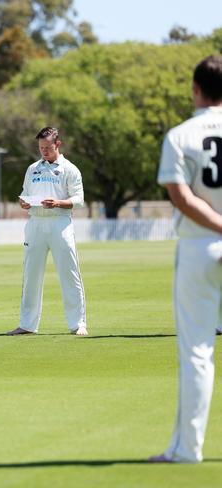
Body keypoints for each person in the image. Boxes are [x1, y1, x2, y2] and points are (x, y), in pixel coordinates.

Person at [150, 54, 222, 464]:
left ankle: (188, 449)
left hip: (199, 246)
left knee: (197, 350)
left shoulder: (180, 135)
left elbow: (180, 195)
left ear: (195, 89)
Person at [6, 127, 88, 337]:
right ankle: (27, 324)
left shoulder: (70, 169)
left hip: (60, 223)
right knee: (31, 275)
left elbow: (79, 199)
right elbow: (25, 193)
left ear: (58, 144)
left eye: (48, 148)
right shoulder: (33, 168)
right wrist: (24, 203)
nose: (44, 151)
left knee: (69, 274)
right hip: (35, 224)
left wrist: (59, 202)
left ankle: (78, 323)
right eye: (41, 148)